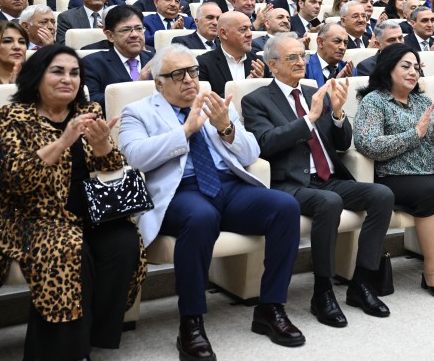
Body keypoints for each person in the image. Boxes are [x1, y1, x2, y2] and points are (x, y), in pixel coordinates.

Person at [119, 45, 305, 355]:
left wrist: (226, 127)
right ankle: (191, 322)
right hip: (181, 191)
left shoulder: (216, 104)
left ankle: (271, 307)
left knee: (285, 207)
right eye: (178, 74)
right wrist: (185, 131)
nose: (189, 80)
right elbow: (135, 157)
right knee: (201, 217)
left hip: (227, 186)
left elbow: (252, 154)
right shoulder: (137, 112)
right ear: (159, 83)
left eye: (193, 72)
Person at [0, 44, 146, 360]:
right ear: (37, 77)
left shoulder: (90, 112)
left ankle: (92, 334)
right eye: (57, 71)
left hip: (91, 212)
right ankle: (66, 352)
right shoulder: (14, 116)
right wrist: (63, 142)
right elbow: (13, 179)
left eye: (74, 73)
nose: (68, 79)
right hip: (35, 217)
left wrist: (102, 146)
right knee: (67, 249)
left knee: (124, 243)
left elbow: (113, 170)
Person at [242, 33, 393, 326]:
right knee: (329, 202)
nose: (301, 62)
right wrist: (308, 119)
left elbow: (343, 144)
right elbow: (265, 143)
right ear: (273, 65)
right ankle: (322, 291)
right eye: (292, 57)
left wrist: (336, 113)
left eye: (303, 56)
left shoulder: (316, 92)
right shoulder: (256, 100)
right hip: (289, 183)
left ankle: (361, 282)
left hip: (328, 177)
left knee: (382, 195)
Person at [353, 44, 434, 300]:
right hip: (397, 175)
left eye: (416, 68)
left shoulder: (423, 101)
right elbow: (368, 144)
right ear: (388, 69)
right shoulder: (374, 101)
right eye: (406, 66)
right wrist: (415, 134)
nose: (413, 72)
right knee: (433, 192)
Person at [82, 6, 154, 112]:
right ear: (110, 36)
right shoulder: (92, 63)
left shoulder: (155, 59)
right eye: (126, 30)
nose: (135, 35)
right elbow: (92, 102)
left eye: (139, 29)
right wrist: (137, 87)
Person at [196, 11, 267, 97]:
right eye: (243, 29)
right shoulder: (203, 63)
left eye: (250, 28)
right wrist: (245, 87)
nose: (250, 34)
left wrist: (260, 85)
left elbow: (272, 98)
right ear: (224, 33)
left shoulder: (260, 62)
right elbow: (205, 100)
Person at [0, 20, 28, 85]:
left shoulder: (37, 78)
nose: (17, 47)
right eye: (7, 41)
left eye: (22, 42)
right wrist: (12, 88)